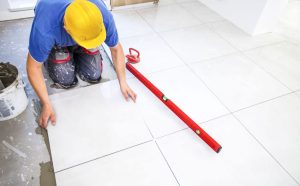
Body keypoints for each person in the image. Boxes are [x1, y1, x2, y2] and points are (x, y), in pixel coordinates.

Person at [26, 0, 137, 128]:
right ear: (66, 29)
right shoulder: (45, 28)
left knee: (93, 74)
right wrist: (46, 103)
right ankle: (58, 50)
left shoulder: (102, 16)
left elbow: (116, 49)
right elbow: (33, 66)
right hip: (57, 39)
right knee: (65, 79)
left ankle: (83, 46)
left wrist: (123, 82)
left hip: (82, 32)